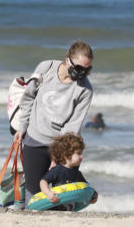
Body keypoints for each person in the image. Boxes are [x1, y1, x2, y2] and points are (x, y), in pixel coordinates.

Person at [15, 41, 94, 207]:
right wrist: (21, 127)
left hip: (60, 146)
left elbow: (72, 126)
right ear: (67, 61)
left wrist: (59, 155)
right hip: (34, 140)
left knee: (63, 194)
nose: (83, 73)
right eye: (79, 68)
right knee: (34, 191)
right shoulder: (46, 68)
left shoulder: (85, 90)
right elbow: (29, 97)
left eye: (88, 70)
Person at [39, 133, 98, 210]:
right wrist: (48, 193)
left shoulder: (77, 173)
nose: (82, 156)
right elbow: (43, 181)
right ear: (67, 154)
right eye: (79, 153)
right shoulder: (57, 170)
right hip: (56, 206)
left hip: (70, 209)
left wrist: (94, 195)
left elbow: (86, 187)